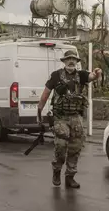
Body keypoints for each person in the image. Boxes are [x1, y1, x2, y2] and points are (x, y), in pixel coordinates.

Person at [37, 50, 102, 189]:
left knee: (75, 147)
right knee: (61, 145)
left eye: (73, 59)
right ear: (64, 61)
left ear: (77, 62)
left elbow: (92, 76)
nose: (71, 61)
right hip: (60, 117)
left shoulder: (82, 75)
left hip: (76, 117)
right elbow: (45, 94)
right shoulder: (55, 76)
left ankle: (70, 177)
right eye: (68, 59)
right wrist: (39, 112)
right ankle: (56, 171)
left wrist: (97, 73)